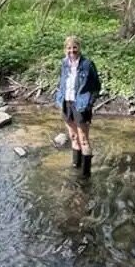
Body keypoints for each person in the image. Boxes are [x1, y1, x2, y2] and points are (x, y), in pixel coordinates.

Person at [54, 35, 101, 177]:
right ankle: (76, 169)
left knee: (84, 140)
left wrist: (89, 103)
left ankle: (86, 176)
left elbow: (96, 86)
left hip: (81, 105)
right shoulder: (64, 63)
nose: (72, 51)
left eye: (75, 47)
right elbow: (62, 81)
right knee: (74, 137)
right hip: (66, 103)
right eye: (69, 48)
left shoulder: (87, 64)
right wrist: (59, 97)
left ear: (79, 48)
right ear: (65, 50)